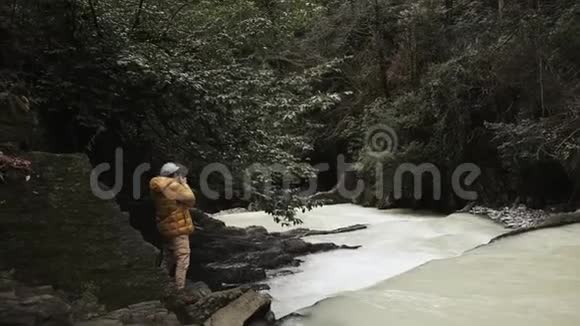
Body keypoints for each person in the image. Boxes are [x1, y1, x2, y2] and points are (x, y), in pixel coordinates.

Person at [149, 162, 196, 290]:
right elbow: (191, 199)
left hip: (165, 227)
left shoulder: (157, 185)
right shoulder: (174, 186)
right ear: (174, 174)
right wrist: (184, 184)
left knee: (168, 256)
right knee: (183, 257)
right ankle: (179, 290)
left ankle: (160, 283)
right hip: (177, 228)